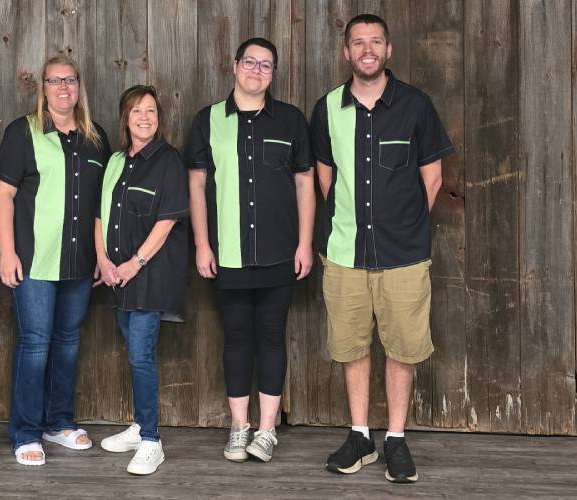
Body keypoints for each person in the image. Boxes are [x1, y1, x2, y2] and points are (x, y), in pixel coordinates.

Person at [309, 14, 453, 483]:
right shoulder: (327, 108)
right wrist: (352, 223)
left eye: (375, 41)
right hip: (344, 253)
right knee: (352, 347)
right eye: (358, 42)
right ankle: (360, 437)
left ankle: (395, 438)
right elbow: (325, 178)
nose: (367, 49)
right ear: (346, 52)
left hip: (404, 255)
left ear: (388, 50)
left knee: (402, 348)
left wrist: (403, 224)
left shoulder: (415, 105)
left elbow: (433, 178)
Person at [184, 38, 315, 463]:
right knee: (237, 338)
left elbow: (304, 184)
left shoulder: (291, 120)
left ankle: (267, 430)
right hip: (228, 253)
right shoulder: (208, 120)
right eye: (250, 62)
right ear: (234, 65)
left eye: (266, 65)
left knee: (272, 337)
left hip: (280, 250)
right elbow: (197, 185)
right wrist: (202, 244)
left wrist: (305, 243)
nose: (257, 70)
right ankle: (239, 428)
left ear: (273, 73)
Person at [0, 55, 111, 466]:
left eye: (70, 80)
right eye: (54, 81)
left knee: (68, 344)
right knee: (35, 345)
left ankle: (58, 423)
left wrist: (101, 254)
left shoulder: (96, 137)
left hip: (78, 262)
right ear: (42, 88)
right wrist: (7, 252)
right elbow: (3, 194)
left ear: (79, 86)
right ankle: (26, 431)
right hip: (34, 261)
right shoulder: (22, 132)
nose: (63, 88)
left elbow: (101, 204)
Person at [95, 85, 189, 475]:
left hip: (150, 275)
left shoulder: (169, 161)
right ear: (126, 118)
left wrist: (134, 263)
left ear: (159, 117)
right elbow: (99, 214)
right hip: (117, 277)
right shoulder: (116, 161)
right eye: (136, 110)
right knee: (134, 353)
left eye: (151, 110)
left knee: (140, 356)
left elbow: (166, 222)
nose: (144, 117)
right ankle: (138, 426)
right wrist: (102, 260)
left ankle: (151, 440)